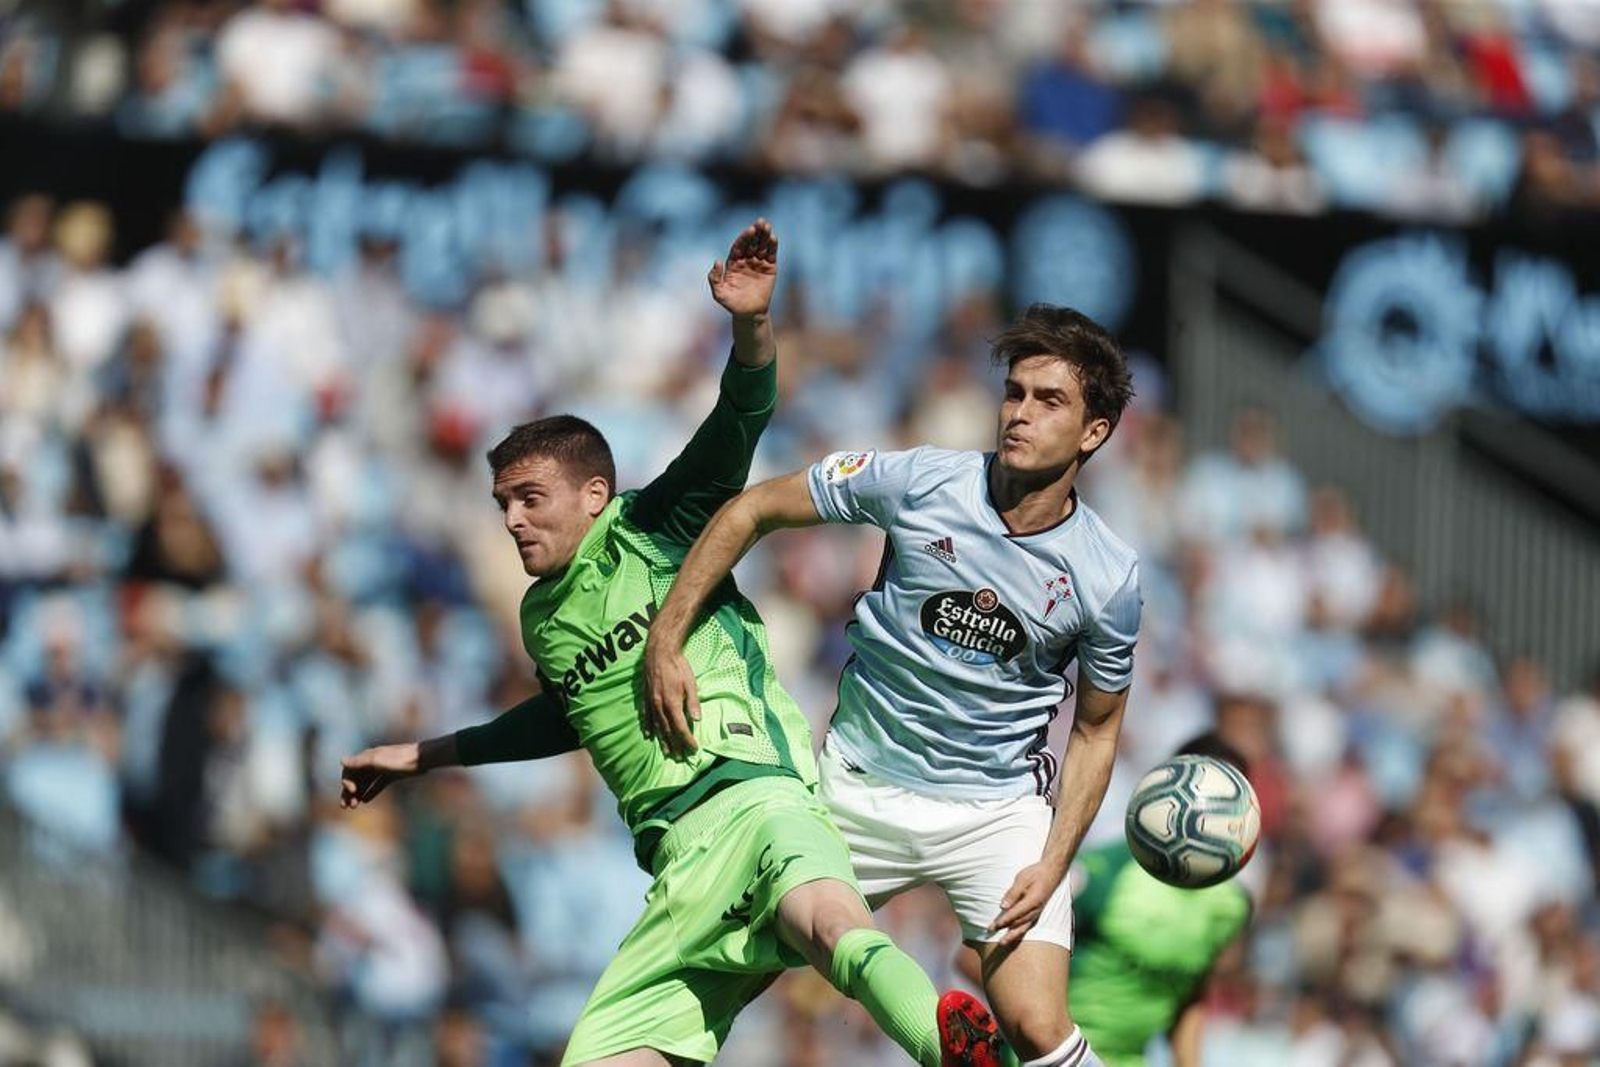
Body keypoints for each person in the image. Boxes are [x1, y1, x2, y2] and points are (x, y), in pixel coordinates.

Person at [337, 220, 999, 1067]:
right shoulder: (542, 616)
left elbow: (741, 416)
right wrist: (420, 755)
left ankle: (951, 1048)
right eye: (502, 501)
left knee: (833, 927)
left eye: (531, 497)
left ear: (595, 493)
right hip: (679, 871)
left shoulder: (657, 526)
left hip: (756, 796)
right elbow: (564, 718)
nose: (512, 519)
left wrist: (752, 324)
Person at [644, 304, 1141, 1067]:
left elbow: (1098, 729)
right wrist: (666, 635)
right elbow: (753, 508)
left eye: (1049, 401)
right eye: (1014, 392)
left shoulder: (1109, 576)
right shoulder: (921, 480)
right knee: (713, 972)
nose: (1019, 413)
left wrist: (1052, 859)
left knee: (1039, 1027)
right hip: (857, 790)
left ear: (1094, 432)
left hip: (993, 814)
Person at [958, 734, 1255, 1067]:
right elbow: (974, 957)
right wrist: (1041, 1032)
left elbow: (1188, 996)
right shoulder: (1104, 876)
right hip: (1050, 1058)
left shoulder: (1232, 906)